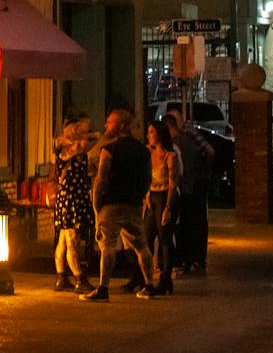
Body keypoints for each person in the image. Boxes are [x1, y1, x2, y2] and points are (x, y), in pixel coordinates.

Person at [80, 108, 158, 302]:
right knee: (141, 245)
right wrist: (140, 196)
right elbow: (148, 176)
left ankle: (103, 288)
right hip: (133, 203)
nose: (106, 125)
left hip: (111, 203)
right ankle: (149, 284)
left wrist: (97, 204)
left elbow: (101, 179)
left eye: (110, 122)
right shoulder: (143, 150)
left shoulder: (110, 150)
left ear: (121, 125)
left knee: (107, 246)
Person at [164, 109, 213, 274]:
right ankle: (197, 258)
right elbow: (208, 153)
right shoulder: (190, 139)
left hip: (187, 187)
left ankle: (187, 259)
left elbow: (179, 170)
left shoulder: (176, 143)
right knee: (197, 224)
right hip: (197, 185)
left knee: (185, 226)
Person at [51, 115, 95, 291]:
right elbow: (84, 145)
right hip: (71, 198)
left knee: (63, 239)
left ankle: (61, 277)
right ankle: (79, 278)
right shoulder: (66, 147)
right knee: (72, 240)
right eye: (81, 130)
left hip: (73, 195)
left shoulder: (71, 148)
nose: (84, 133)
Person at [142, 120, 181, 295]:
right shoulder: (148, 154)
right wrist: (147, 195)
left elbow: (173, 183)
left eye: (151, 132)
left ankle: (165, 278)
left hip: (166, 195)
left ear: (159, 135)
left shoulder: (170, 156)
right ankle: (146, 277)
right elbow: (146, 177)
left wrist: (168, 207)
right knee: (147, 235)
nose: (148, 135)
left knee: (164, 236)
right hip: (153, 195)